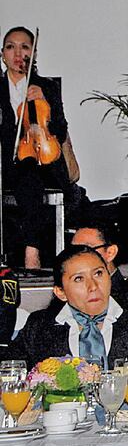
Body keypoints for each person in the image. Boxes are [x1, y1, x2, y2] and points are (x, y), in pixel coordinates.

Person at [1, 245, 128, 381]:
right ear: (60, 292)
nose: (93, 286)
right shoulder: (40, 326)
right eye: (79, 279)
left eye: (99, 274)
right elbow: (8, 373)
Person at [0, 27, 73, 269]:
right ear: (2, 55)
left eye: (25, 47)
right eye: (10, 47)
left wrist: (45, 102)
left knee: (29, 171)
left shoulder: (47, 87)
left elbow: (60, 130)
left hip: (45, 164)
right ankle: (31, 250)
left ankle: (32, 251)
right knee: (26, 170)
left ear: (34, 54)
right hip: (6, 165)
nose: (17, 53)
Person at [69, 223, 128, 315]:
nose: (76, 257)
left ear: (110, 252)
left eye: (86, 250)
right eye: (72, 251)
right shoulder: (69, 294)